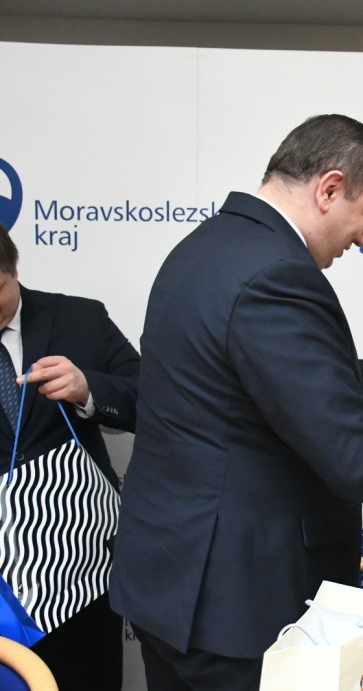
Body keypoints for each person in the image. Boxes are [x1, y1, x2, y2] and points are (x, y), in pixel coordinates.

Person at [109, 114, 363, 690]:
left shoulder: (205, 247)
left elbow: (251, 376)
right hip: (239, 606)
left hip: (174, 586)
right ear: (329, 188)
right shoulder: (277, 274)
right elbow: (353, 453)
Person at [0, 224, 139, 690]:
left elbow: (154, 398)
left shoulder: (81, 319)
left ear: (14, 270)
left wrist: (88, 390)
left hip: (81, 578)